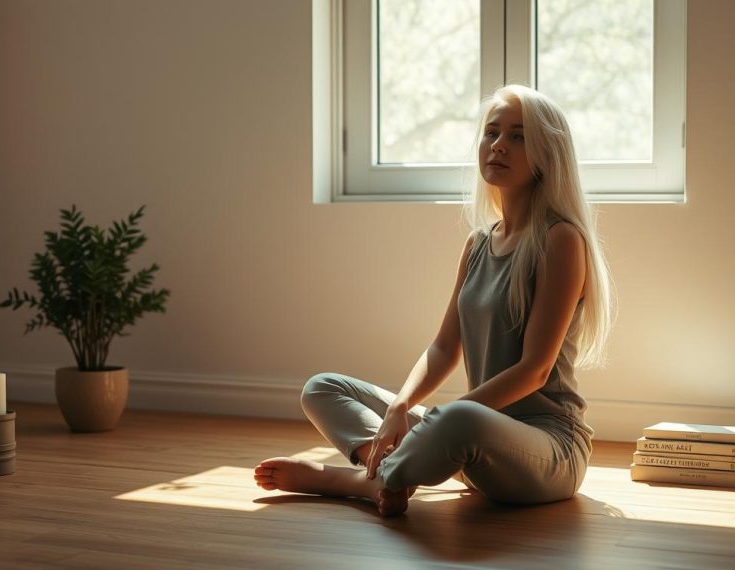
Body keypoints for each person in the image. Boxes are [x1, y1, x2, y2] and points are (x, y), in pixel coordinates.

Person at [254, 84, 615, 517]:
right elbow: (444, 347)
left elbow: (535, 370)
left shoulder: (560, 239)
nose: (499, 145)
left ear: (547, 155)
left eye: (518, 136)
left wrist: (439, 423)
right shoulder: (478, 243)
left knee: (457, 418)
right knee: (324, 387)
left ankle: (352, 481)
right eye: (492, 132)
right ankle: (388, 475)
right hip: (473, 442)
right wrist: (401, 407)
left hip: (549, 451)